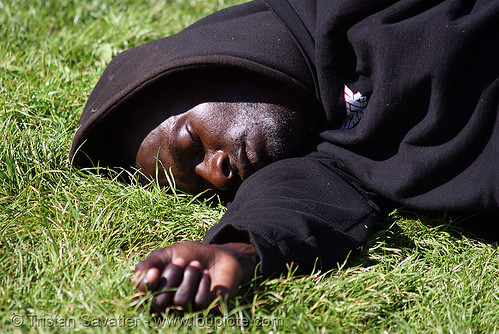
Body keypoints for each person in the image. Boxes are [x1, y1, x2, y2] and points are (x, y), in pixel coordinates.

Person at [70, 0, 499, 312]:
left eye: (191, 144)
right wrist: (238, 250)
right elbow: (293, 198)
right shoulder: (327, 151)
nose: (217, 174)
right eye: (201, 183)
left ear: (201, 64)